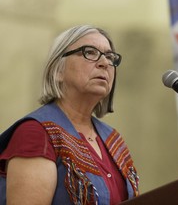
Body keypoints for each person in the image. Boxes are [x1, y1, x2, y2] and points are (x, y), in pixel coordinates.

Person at [0, 25, 139, 205]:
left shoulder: (114, 141)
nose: (104, 63)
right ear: (58, 70)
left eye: (110, 57)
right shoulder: (36, 134)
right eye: (89, 52)